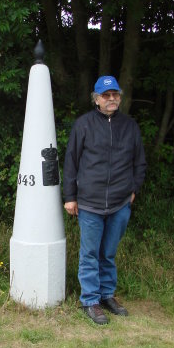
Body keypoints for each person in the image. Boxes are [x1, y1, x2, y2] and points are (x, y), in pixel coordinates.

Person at [63, 75, 146, 325]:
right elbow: (71, 162)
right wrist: (70, 197)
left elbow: (139, 162)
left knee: (108, 253)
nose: (111, 99)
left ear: (120, 97)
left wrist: (133, 190)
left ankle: (107, 295)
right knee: (90, 253)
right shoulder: (84, 125)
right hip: (89, 203)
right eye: (106, 95)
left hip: (120, 203)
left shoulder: (130, 126)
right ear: (96, 99)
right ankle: (90, 300)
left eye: (115, 95)